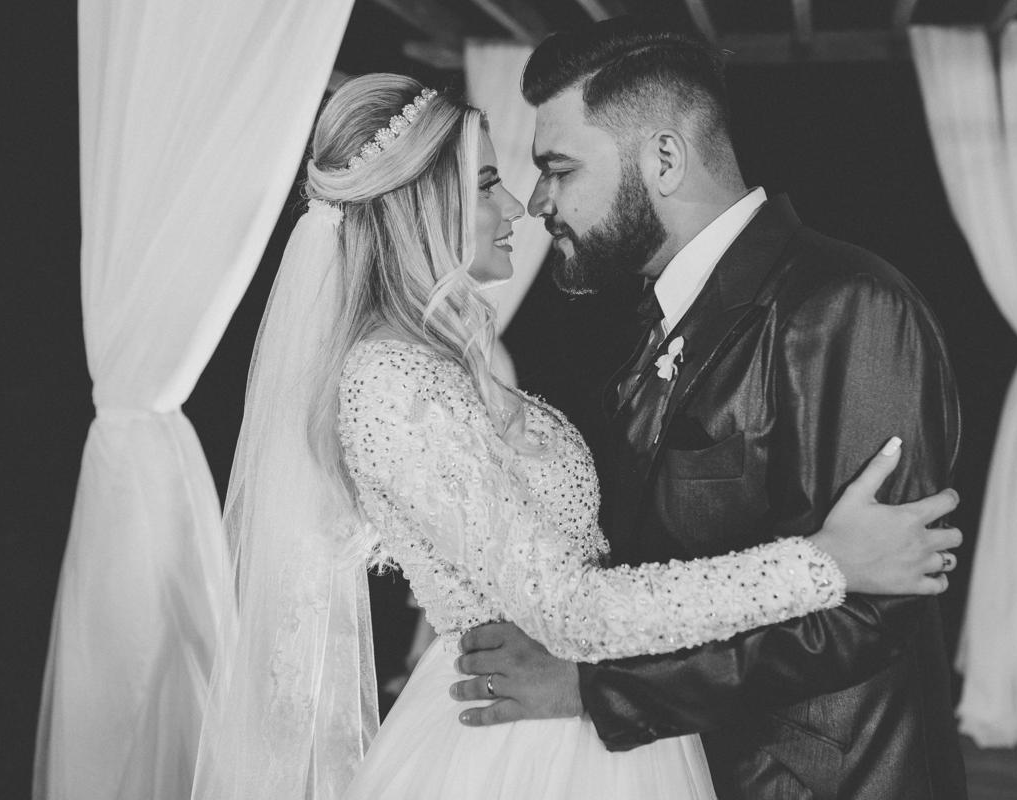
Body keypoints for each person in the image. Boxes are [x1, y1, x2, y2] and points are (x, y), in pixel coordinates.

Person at [190, 73, 960, 800]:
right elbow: (572, 609)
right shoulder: (392, 384)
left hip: (590, 720)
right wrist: (825, 562)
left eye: (552, 170)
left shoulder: (446, 365)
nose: (521, 206)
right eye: (487, 183)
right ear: (419, 203)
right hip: (521, 737)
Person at [450, 19, 968, 800]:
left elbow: (870, 609)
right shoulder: (658, 320)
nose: (539, 201)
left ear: (664, 158)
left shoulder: (845, 306)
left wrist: (593, 690)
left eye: (559, 169)